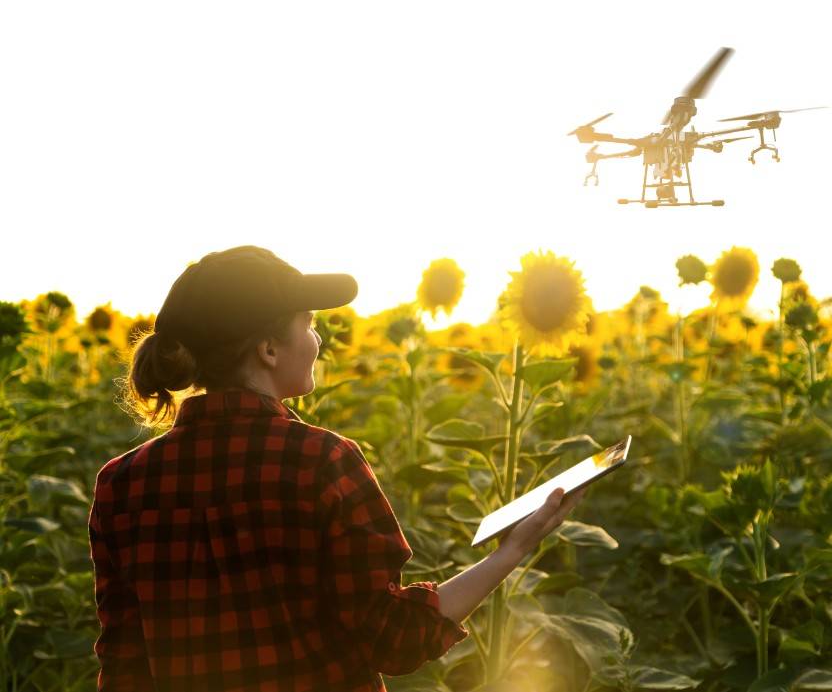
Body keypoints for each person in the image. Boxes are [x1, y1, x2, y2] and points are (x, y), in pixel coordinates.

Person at [88, 245, 584, 691]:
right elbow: (392, 638)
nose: (318, 339)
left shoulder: (122, 483)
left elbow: (124, 664)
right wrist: (510, 551)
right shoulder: (321, 461)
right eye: (308, 323)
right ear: (268, 349)